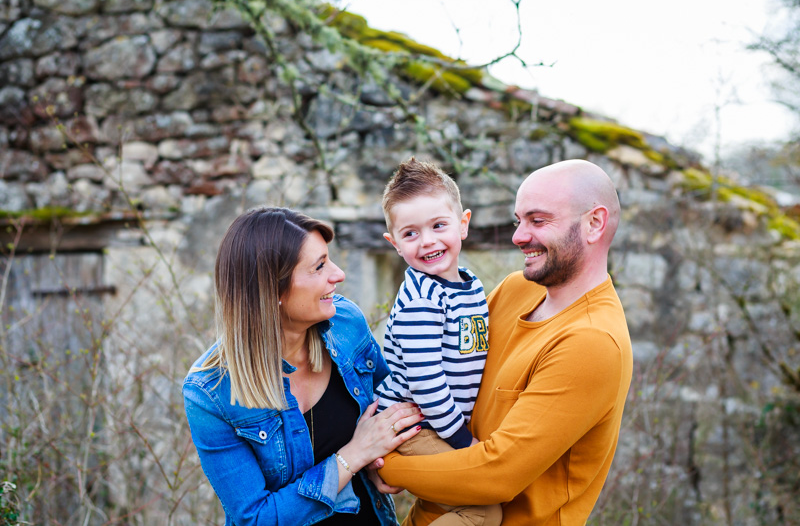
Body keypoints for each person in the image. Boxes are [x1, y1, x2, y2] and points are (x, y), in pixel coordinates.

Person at [372, 159, 634, 526]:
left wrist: (380, 461)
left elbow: (496, 475)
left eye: (538, 220)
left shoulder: (592, 341)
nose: (518, 236)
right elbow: (432, 365)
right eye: (518, 220)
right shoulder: (516, 288)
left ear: (594, 223)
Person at [183, 207, 424, 525]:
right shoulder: (210, 392)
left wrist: (382, 464)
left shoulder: (345, 323)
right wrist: (352, 457)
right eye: (319, 267)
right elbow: (255, 519)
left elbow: (394, 412)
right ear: (273, 290)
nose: (338, 275)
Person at [374, 157, 502, 526]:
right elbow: (427, 385)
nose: (427, 241)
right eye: (411, 233)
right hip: (415, 427)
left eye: (438, 225)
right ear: (394, 243)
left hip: (441, 424)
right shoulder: (421, 302)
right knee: (482, 510)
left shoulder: (470, 283)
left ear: (463, 225)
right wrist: (463, 443)